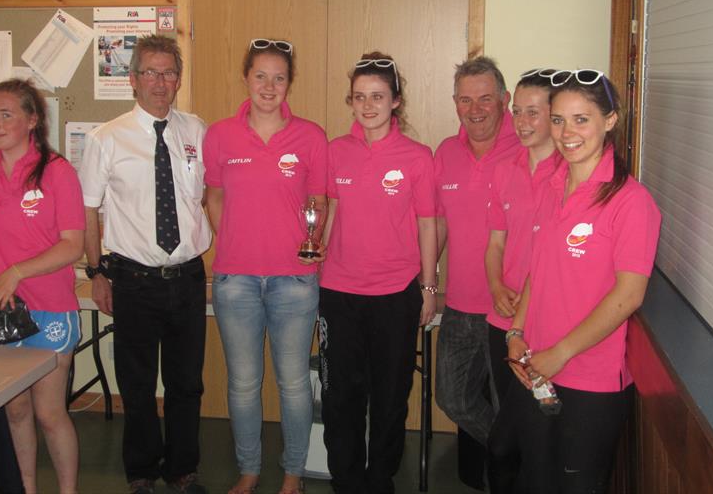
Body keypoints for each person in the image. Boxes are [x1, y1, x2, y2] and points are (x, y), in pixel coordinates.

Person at [504, 70, 661, 492]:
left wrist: (562, 352)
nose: (566, 132)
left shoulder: (631, 202)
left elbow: (628, 295)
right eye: (558, 120)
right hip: (535, 371)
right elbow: (539, 271)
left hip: (590, 382)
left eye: (581, 119)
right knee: (535, 481)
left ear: (610, 120)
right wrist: (516, 331)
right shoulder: (553, 186)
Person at [79, 35, 210, 494]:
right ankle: (141, 473)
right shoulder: (106, 139)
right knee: (136, 386)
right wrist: (96, 273)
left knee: (186, 385)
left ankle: (181, 470)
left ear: (178, 79)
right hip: (132, 279)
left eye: (169, 72)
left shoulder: (197, 131)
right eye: (150, 73)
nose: (160, 82)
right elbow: (88, 211)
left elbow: (211, 197)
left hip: (189, 278)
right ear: (132, 79)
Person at [0, 79, 85, 494]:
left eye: (6, 114)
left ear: (32, 120)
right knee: (15, 411)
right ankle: (25, 488)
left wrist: (17, 273)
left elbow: (73, 245)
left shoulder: (58, 171)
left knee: (48, 412)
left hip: (50, 308)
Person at [203, 38, 327, 494]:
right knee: (242, 383)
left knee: (293, 383)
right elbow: (213, 196)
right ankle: (249, 468)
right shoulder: (219, 134)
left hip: (295, 281)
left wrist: (311, 240)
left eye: (279, 77)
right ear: (246, 79)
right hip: (235, 279)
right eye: (261, 76)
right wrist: (231, 237)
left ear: (289, 82)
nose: (269, 86)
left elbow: (318, 202)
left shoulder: (310, 136)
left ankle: (293, 471)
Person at [318, 52, 437, 494]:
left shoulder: (418, 157)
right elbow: (327, 213)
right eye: (359, 97)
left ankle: (379, 479)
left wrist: (428, 287)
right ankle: (346, 481)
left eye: (378, 97)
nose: (368, 105)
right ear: (351, 101)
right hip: (339, 293)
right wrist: (317, 254)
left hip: (395, 294)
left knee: (389, 399)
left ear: (396, 102)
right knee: (340, 398)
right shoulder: (336, 151)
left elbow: (427, 223)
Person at [433, 55, 522, 490]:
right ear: (455, 104)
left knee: (510, 401)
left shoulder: (526, 150)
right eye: (466, 100)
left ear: (504, 100)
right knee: (451, 397)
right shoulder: (445, 153)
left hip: (512, 310)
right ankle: (520, 456)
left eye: (486, 98)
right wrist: (428, 281)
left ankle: (510, 472)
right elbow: (440, 224)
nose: (476, 109)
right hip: (460, 304)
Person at [484, 69, 560, 492]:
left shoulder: (569, 175)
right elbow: (495, 244)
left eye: (534, 112)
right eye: (517, 112)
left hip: (547, 327)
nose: (522, 122)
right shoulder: (504, 171)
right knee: (509, 439)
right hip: (503, 322)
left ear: (555, 115)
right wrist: (495, 285)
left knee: (514, 440)